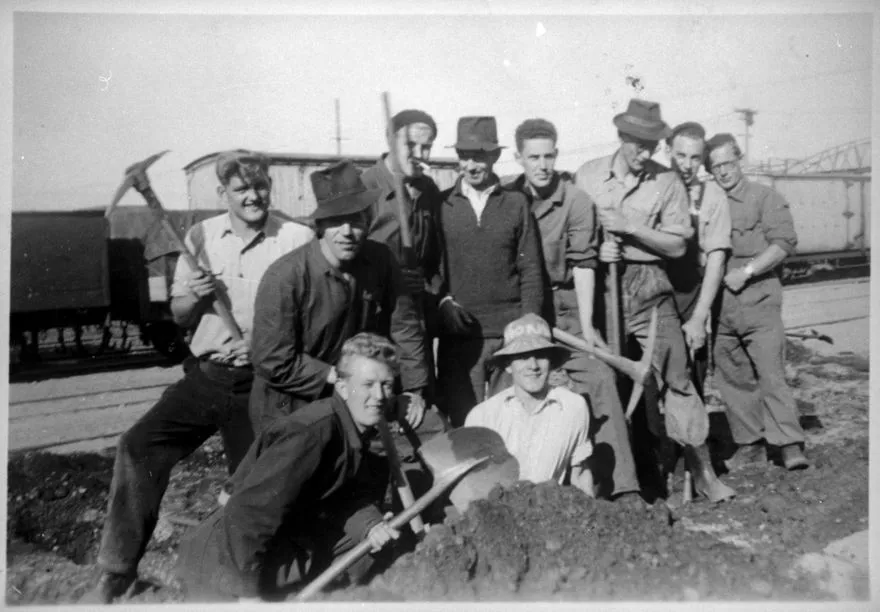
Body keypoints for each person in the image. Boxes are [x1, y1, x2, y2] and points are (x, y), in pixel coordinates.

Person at [88, 151, 315, 603]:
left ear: (270, 187)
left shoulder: (296, 237)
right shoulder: (199, 237)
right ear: (223, 194)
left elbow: (312, 310)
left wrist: (272, 348)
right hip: (209, 375)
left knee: (253, 483)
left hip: (264, 382)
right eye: (241, 189)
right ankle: (116, 570)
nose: (253, 196)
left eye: (260, 186)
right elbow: (178, 315)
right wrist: (194, 296)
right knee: (139, 445)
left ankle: (255, 582)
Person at [575, 99, 735, 502]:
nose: (645, 154)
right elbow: (577, 239)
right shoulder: (588, 176)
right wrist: (600, 252)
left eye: (651, 146)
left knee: (678, 378)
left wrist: (630, 228)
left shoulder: (667, 182)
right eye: (638, 145)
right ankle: (623, 481)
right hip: (603, 294)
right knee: (609, 385)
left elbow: (678, 244)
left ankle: (703, 473)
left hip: (651, 288)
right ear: (622, 137)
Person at [176, 333, 404, 602]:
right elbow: (248, 514)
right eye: (367, 385)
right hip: (223, 564)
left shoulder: (355, 431)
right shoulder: (311, 434)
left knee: (368, 551)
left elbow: (342, 496)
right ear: (342, 388)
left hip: (277, 546)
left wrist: (369, 525)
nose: (379, 396)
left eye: (386, 385)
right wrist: (249, 596)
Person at [505, 118, 640, 499]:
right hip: (521, 314)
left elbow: (583, 264)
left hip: (566, 311)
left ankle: (623, 488)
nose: (542, 165)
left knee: (598, 377)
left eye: (549, 155)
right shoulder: (507, 199)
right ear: (519, 157)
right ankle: (515, 491)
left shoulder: (577, 201)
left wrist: (587, 327)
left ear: (557, 154)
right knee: (508, 388)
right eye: (534, 157)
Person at [248, 159, 428, 435]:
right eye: (335, 222)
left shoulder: (380, 259)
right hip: (292, 403)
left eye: (355, 221)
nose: (347, 232)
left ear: (368, 221)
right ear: (319, 225)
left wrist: (414, 389)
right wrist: (340, 376)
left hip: (354, 395)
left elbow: (404, 326)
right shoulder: (285, 277)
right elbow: (273, 360)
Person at [705, 133, 808, 471]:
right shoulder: (709, 202)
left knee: (770, 373)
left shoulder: (765, 197)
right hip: (721, 307)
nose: (723, 171)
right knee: (732, 377)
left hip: (759, 299)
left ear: (740, 160)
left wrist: (747, 271)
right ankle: (749, 442)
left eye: (728, 163)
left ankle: (789, 443)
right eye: (716, 166)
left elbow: (783, 244)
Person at [434, 116, 545, 427]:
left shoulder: (515, 203)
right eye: (465, 156)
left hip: (509, 338)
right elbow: (432, 268)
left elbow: (531, 268)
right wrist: (442, 302)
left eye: (480, 155)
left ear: (495, 156)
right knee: (465, 423)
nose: (471, 164)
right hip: (461, 338)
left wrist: (528, 326)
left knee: (513, 422)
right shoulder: (442, 205)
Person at [465, 314, 594, 494]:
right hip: (501, 512)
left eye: (541, 356)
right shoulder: (483, 416)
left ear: (551, 362)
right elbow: (473, 488)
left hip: (547, 508)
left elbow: (580, 473)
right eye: (523, 357)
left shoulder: (573, 407)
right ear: (508, 366)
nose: (533, 365)